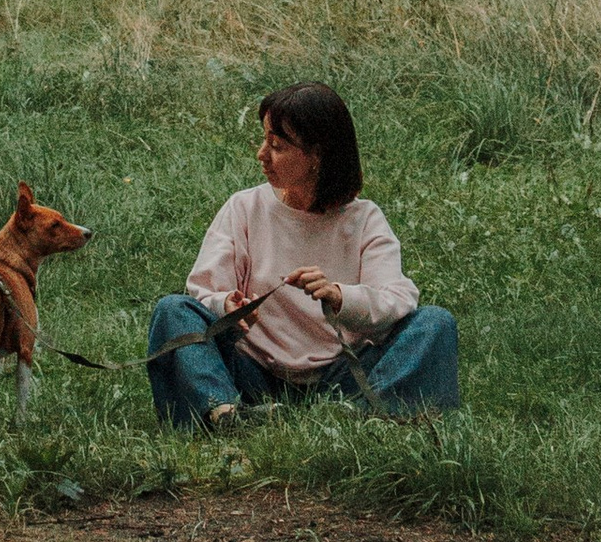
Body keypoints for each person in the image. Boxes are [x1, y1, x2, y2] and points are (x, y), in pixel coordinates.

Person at [147, 81, 459, 428]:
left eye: (277, 145)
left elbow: (399, 300)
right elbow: (202, 293)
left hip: (342, 375)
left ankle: (366, 418)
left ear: (317, 156)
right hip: (253, 373)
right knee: (172, 311)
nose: (262, 154)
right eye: (264, 140)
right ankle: (226, 415)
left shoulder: (364, 219)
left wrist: (341, 296)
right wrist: (228, 308)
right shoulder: (244, 207)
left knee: (435, 323)